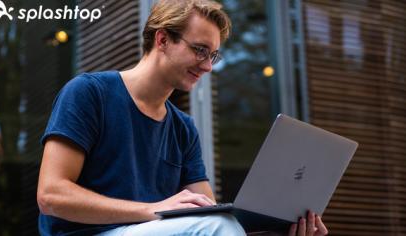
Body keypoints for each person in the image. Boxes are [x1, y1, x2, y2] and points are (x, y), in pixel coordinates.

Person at [36, 0, 329, 235]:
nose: (207, 67)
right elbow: (51, 196)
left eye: (213, 56)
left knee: (221, 223)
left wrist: (276, 229)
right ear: (162, 39)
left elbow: (209, 212)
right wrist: (152, 209)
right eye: (200, 50)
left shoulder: (183, 128)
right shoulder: (89, 93)